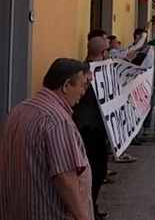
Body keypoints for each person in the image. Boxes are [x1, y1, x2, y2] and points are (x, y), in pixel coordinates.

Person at [0, 58, 93, 220]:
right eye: (82, 85)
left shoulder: (19, 109)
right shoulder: (57, 121)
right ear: (66, 86)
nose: (84, 92)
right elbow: (65, 178)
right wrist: (83, 217)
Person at [73, 36, 110, 220]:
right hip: (89, 128)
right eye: (107, 51)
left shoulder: (86, 69)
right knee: (95, 171)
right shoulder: (88, 72)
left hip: (91, 126)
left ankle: (91, 206)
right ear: (103, 53)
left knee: (97, 170)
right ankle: (88, 210)